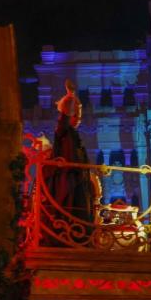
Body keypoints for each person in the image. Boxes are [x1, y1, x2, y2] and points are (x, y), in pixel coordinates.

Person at [44, 80, 98, 244]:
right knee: (72, 210)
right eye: (76, 114)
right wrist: (70, 97)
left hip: (77, 179)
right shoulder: (64, 131)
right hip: (68, 180)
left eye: (80, 114)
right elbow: (63, 122)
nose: (79, 118)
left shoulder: (72, 134)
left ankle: (80, 238)